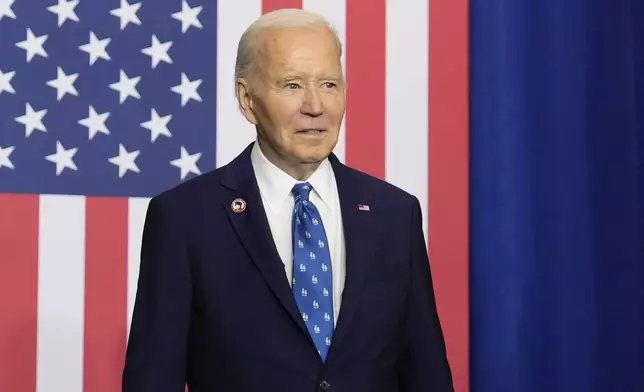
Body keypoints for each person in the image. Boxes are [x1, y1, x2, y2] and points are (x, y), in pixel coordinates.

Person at [122, 8, 454, 392]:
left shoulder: (394, 215)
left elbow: (426, 374)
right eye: (292, 85)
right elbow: (152, 379)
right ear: (247, 101)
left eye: (329, 84)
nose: (315, 105)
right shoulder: (185, 219)